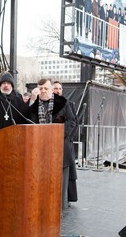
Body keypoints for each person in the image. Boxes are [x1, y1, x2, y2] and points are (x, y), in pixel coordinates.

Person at [25, 78, 77, 212]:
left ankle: (60, 209)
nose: (43, 91)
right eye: (40, 89)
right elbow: (27, 122)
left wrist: (56, 134)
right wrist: (32, 101)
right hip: (40, 150)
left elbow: (72, 123)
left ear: (51, 90)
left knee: (60, 184)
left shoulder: (63, 103)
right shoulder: (34, 106)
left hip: (59, 149)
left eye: (46, 89)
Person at [52, 81, 79, 206]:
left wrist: (62, 135)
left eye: (59, 88)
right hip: (49, 143)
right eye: (55, 88)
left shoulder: (66, 103)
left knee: (65, 173)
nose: (57, 90)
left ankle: (65, 199)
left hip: (63, 142)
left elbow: (73, 122)